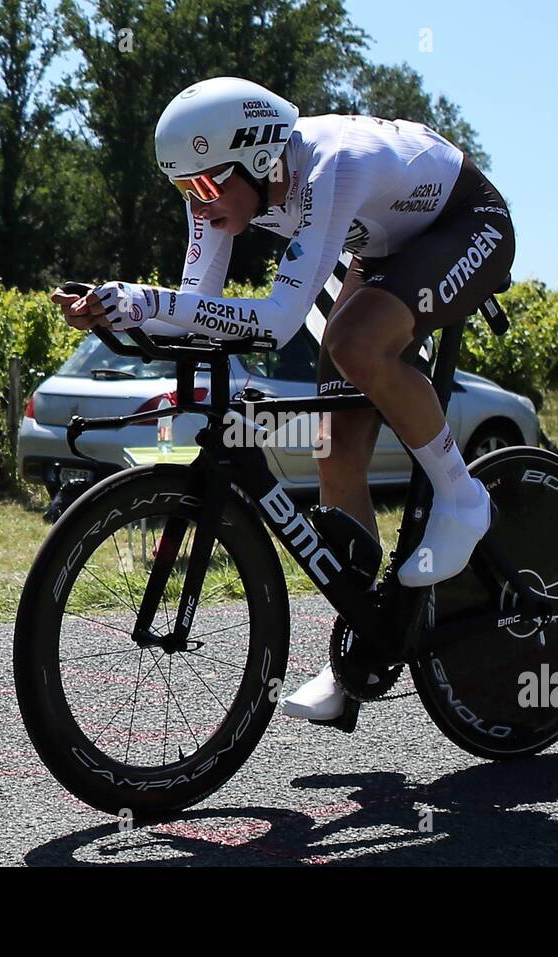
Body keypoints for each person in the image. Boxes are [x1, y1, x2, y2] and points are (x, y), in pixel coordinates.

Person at [52, 76, 515, 722]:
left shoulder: (332, 166)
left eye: (207, 187)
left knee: (354, 342)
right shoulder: (222, 192)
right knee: (335, 442)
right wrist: (112, 311)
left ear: (261, 158)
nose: (199, 205)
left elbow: (275, 322)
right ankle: (360, 647)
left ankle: (463, 498)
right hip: (384, 246)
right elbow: (192, 314)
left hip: (467, 225)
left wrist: (145, 299)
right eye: (185, 190)